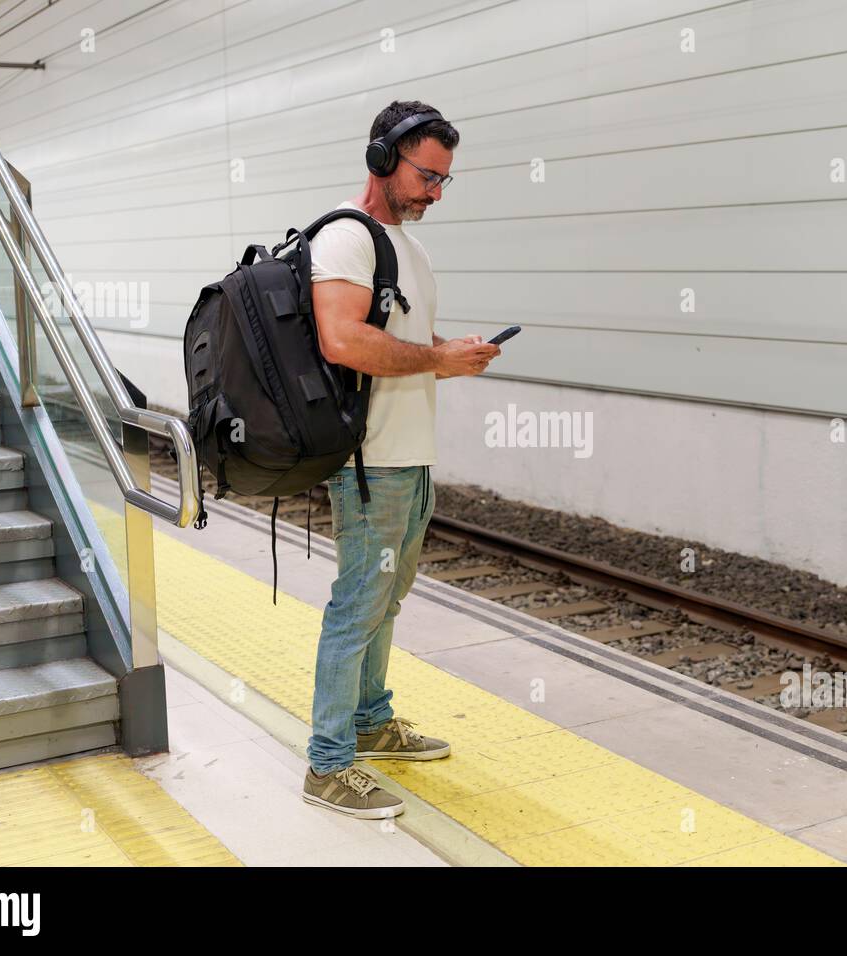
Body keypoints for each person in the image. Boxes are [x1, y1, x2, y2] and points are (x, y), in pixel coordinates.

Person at [302, 100, 500, 819]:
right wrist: (434, 358)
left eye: (445, 180)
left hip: (410, 455)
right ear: (383, 159)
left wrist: (450, 353)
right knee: (357, 605)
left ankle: (370, 721)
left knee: (386, 599)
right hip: (369, 459)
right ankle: (327, 765)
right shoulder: (346, 239)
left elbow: (401, 340)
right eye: (427, 176)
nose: (435, 193)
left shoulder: (404, 244)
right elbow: (342, 342)